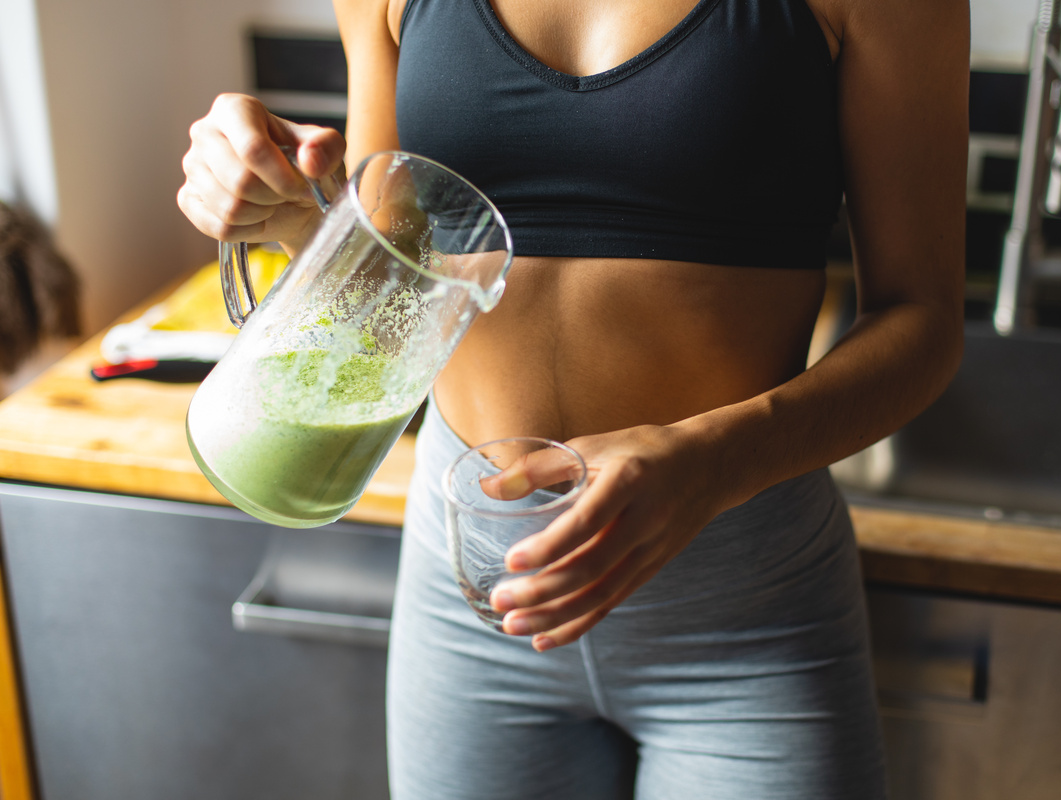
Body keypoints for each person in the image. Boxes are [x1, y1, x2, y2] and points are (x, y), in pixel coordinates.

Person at [178, 0, 968, 796]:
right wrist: (283, 217)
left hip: (742, 619)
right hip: (471, 598)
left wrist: (715, 463)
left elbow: (923, 322)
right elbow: (393, 292)